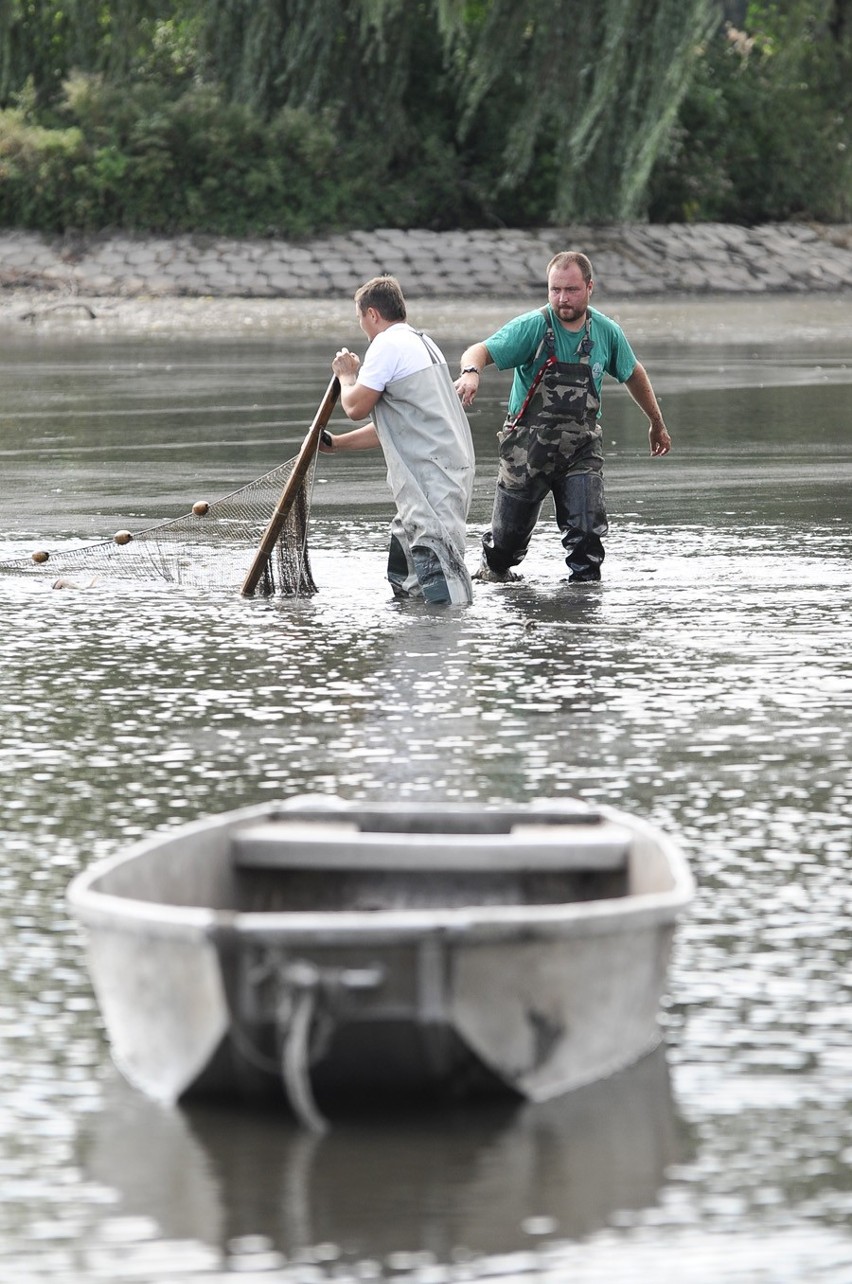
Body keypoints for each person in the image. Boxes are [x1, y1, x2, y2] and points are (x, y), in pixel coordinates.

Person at [455, 250, 671, 583]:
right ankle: (493, 572)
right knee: (505, 550)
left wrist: (657, 423)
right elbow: (479, 351)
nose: (562, 298)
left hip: (580, 451)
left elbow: (633, 372)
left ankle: (581, 611)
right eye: (555, 290)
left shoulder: (606, 332)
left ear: (589, 287)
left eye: (570, 290)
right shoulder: (533, 327)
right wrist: (471, 372)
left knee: (587, 539)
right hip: (527, 451)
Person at [320, 275, 475, 605]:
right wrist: (337, 445)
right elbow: (398, 425)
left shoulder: (387, 344)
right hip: (441, 470)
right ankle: (416, 640)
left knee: (439, 569)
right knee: (405, 570)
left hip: (431, 477)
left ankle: (448, 639)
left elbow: (355, 406)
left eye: (360, 318)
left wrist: (346, 375)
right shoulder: (422, 341)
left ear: (373, 314)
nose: (362, 326)